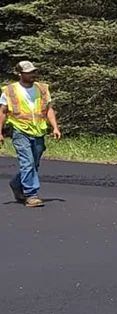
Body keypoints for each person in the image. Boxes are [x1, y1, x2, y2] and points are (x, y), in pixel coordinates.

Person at [3, 60, 61, 207]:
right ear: (20, 73)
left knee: (34, 163)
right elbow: (2, 112)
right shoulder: (10, 91)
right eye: (28, 72)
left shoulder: (42, 89)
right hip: (20, 130)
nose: (32, 75)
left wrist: (55, 127)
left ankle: (16, 183)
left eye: (33, 72)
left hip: (38, 131)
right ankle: (31, 195)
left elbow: (48, 109)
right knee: (27, 162)